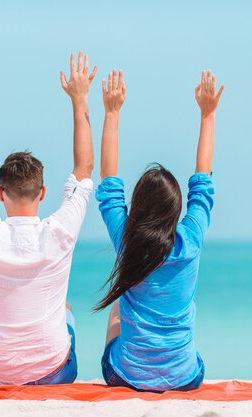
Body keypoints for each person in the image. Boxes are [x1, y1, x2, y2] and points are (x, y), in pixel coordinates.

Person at [0, 51, 97, 385]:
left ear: (0, 193)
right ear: (43, 192)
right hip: (56, 373)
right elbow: (84, 169)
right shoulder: (60, 232)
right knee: (66, 312)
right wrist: (79, 98)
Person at [95, 69, 224, 392]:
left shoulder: (127, 239)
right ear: (176, 210)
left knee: (115, 310)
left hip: (125, 377)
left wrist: (112, 112)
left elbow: (109, 185)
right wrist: (208, 115)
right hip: (186, 378)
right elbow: (202, 182)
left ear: (136, 207)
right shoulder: (190, 239)